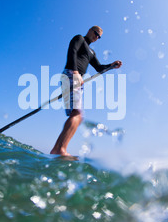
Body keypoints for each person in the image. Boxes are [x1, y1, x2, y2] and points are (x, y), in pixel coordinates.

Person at [50, 26, 122, 157]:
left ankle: (57, 149)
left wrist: (111, 65)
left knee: (76, 115)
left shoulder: (92, 52)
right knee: (77, 114)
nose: (96, 37)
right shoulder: (79, 39)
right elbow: (72, 51)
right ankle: (60, 149)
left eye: (99, 37)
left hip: (78, 80)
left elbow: (99, 68)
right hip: (71, 74)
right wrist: (76, 72)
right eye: (96, 34)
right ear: (90, 30)